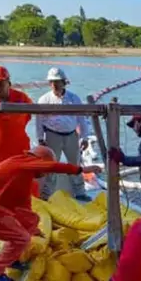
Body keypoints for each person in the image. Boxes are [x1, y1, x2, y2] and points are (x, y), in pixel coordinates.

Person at [0, 146, 102, 281]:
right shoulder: (23, 162)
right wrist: (81, 170)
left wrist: (36, 231)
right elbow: (53, 166)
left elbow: (24, 208)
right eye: (44, 170)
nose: (45, 174)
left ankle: (13, 260)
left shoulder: (23, 175)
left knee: (28, 226)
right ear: (40, 162)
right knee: (20, 238)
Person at [35, 67, 92, 201]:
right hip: (52, 135)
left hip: (71, 135)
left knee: (75, 164)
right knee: (51, 166)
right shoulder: (44, 100)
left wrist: (84, 137)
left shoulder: (74, 98)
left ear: (64, 82)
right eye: (52, 81)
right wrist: (40, 138)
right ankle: (47, 195)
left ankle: (80, 193)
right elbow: (39, 121)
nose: (54, 84)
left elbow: (81, 119)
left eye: (57, 81)